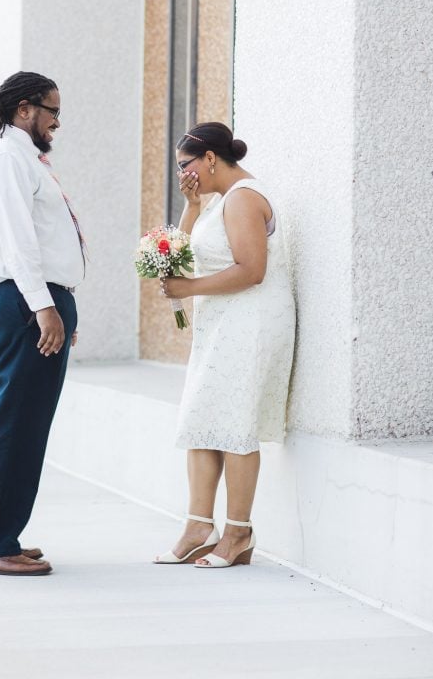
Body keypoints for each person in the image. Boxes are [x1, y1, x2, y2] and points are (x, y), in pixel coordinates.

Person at [0, 71, 85, 577]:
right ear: (25, 109)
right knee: (19, 424)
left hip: (26, 300)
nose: (57, 122)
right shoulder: (7, 156)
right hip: (21, 300)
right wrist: (44, 307)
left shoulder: (13, 153)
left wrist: (52, 302)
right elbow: (16, 240)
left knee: (14, 419)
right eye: (53, 111)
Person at [154, 122, 295, 569]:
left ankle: (238, 533)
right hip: (221, 323)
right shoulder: (215, 203)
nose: (184, 173)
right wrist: (190, 206)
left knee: (235, 422)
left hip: (250, 322)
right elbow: (180, 249)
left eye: (186, 165)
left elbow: (252, 269)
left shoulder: (244, 198)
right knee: (201, 417)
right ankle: (199, 525)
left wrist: (190, 288)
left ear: (210, 158)